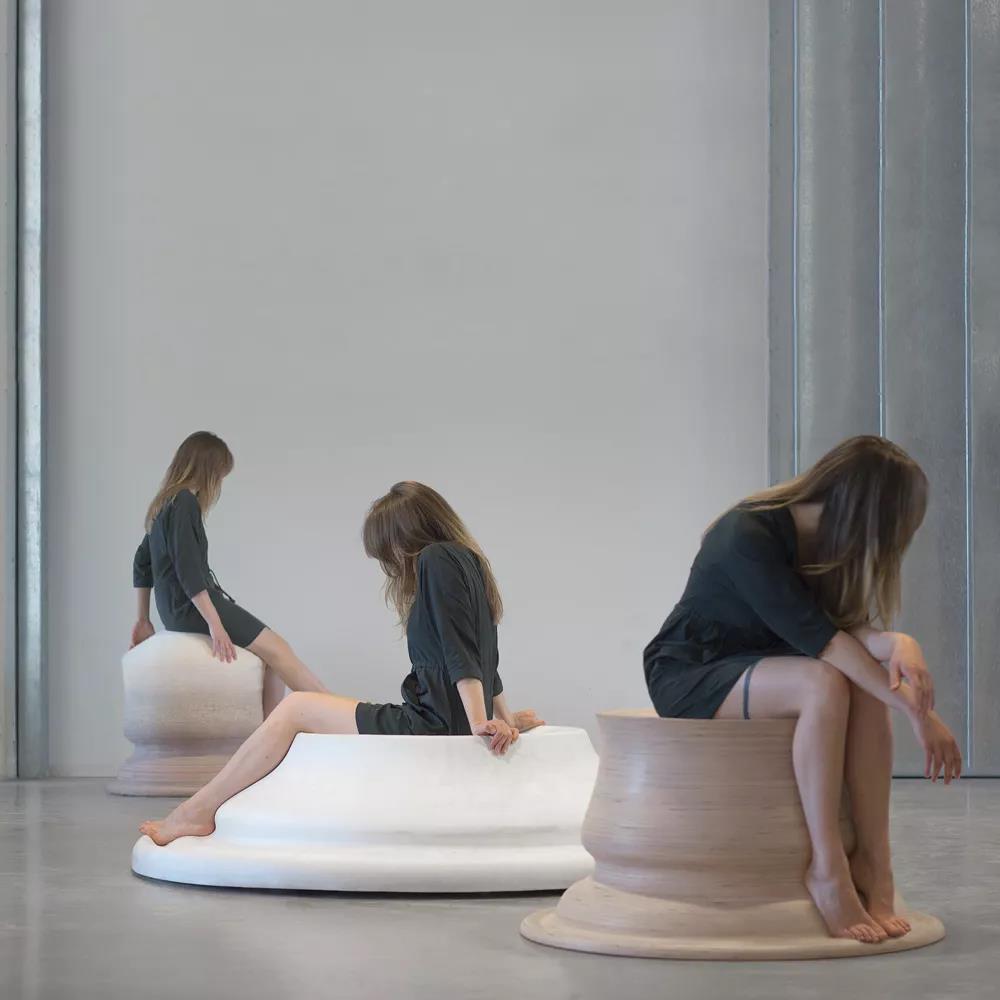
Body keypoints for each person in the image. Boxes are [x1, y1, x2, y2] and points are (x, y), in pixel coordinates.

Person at [643, 435, 962, 945]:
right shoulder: (746, 534)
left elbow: (842, 630)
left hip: (764, 663)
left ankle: (875, 863)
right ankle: (828, 868)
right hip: (691, 669)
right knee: (824, 680)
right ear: (866, 513)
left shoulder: (824, 545)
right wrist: (921, 717)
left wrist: (902, 643)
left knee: (856, 685)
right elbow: (828, 645)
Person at [139, 481, 543, 847]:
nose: (391, 562)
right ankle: (198, 809)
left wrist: (479, 723)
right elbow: (485, 652)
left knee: (295, 708)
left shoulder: (434, 559)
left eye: (387, 550)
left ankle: (197, 811)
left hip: (432, 724)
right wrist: (502, 717)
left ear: (404, 536)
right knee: (308, 707)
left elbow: (461, 653)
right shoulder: (470, 561)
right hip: (447, 717)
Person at [131, 431, 328, 716]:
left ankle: (269, 734)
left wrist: (143, 619)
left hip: (175, 609)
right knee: (279, 651)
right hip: (192, 607)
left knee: (273, 658)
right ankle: (336, 715)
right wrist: (215, 623)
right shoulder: (185, 502)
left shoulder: (163, 505)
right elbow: (188, 569)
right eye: (220, 475)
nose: (219, 483)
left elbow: (141, 562)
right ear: (208, 470)